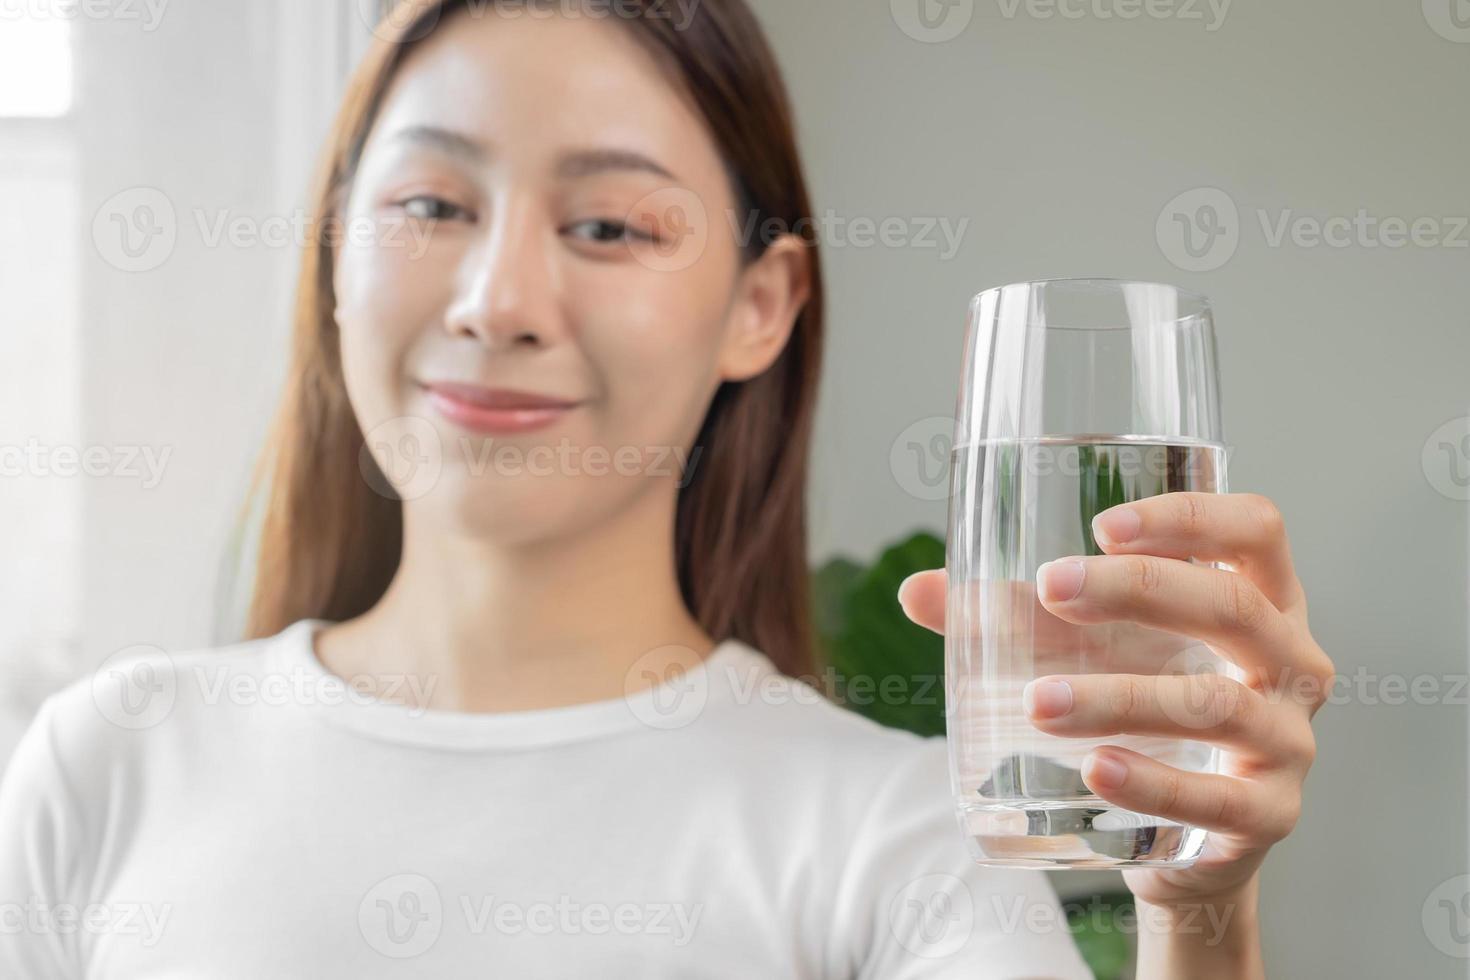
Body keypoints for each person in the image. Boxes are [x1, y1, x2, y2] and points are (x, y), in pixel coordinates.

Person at [0, 1, 1332, 976]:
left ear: (761, 304)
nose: (497, 301)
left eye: (607, 227)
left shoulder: (895, 841)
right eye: (429, 204)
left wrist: (1196, 918)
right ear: (337, 253)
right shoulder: (109, 764)